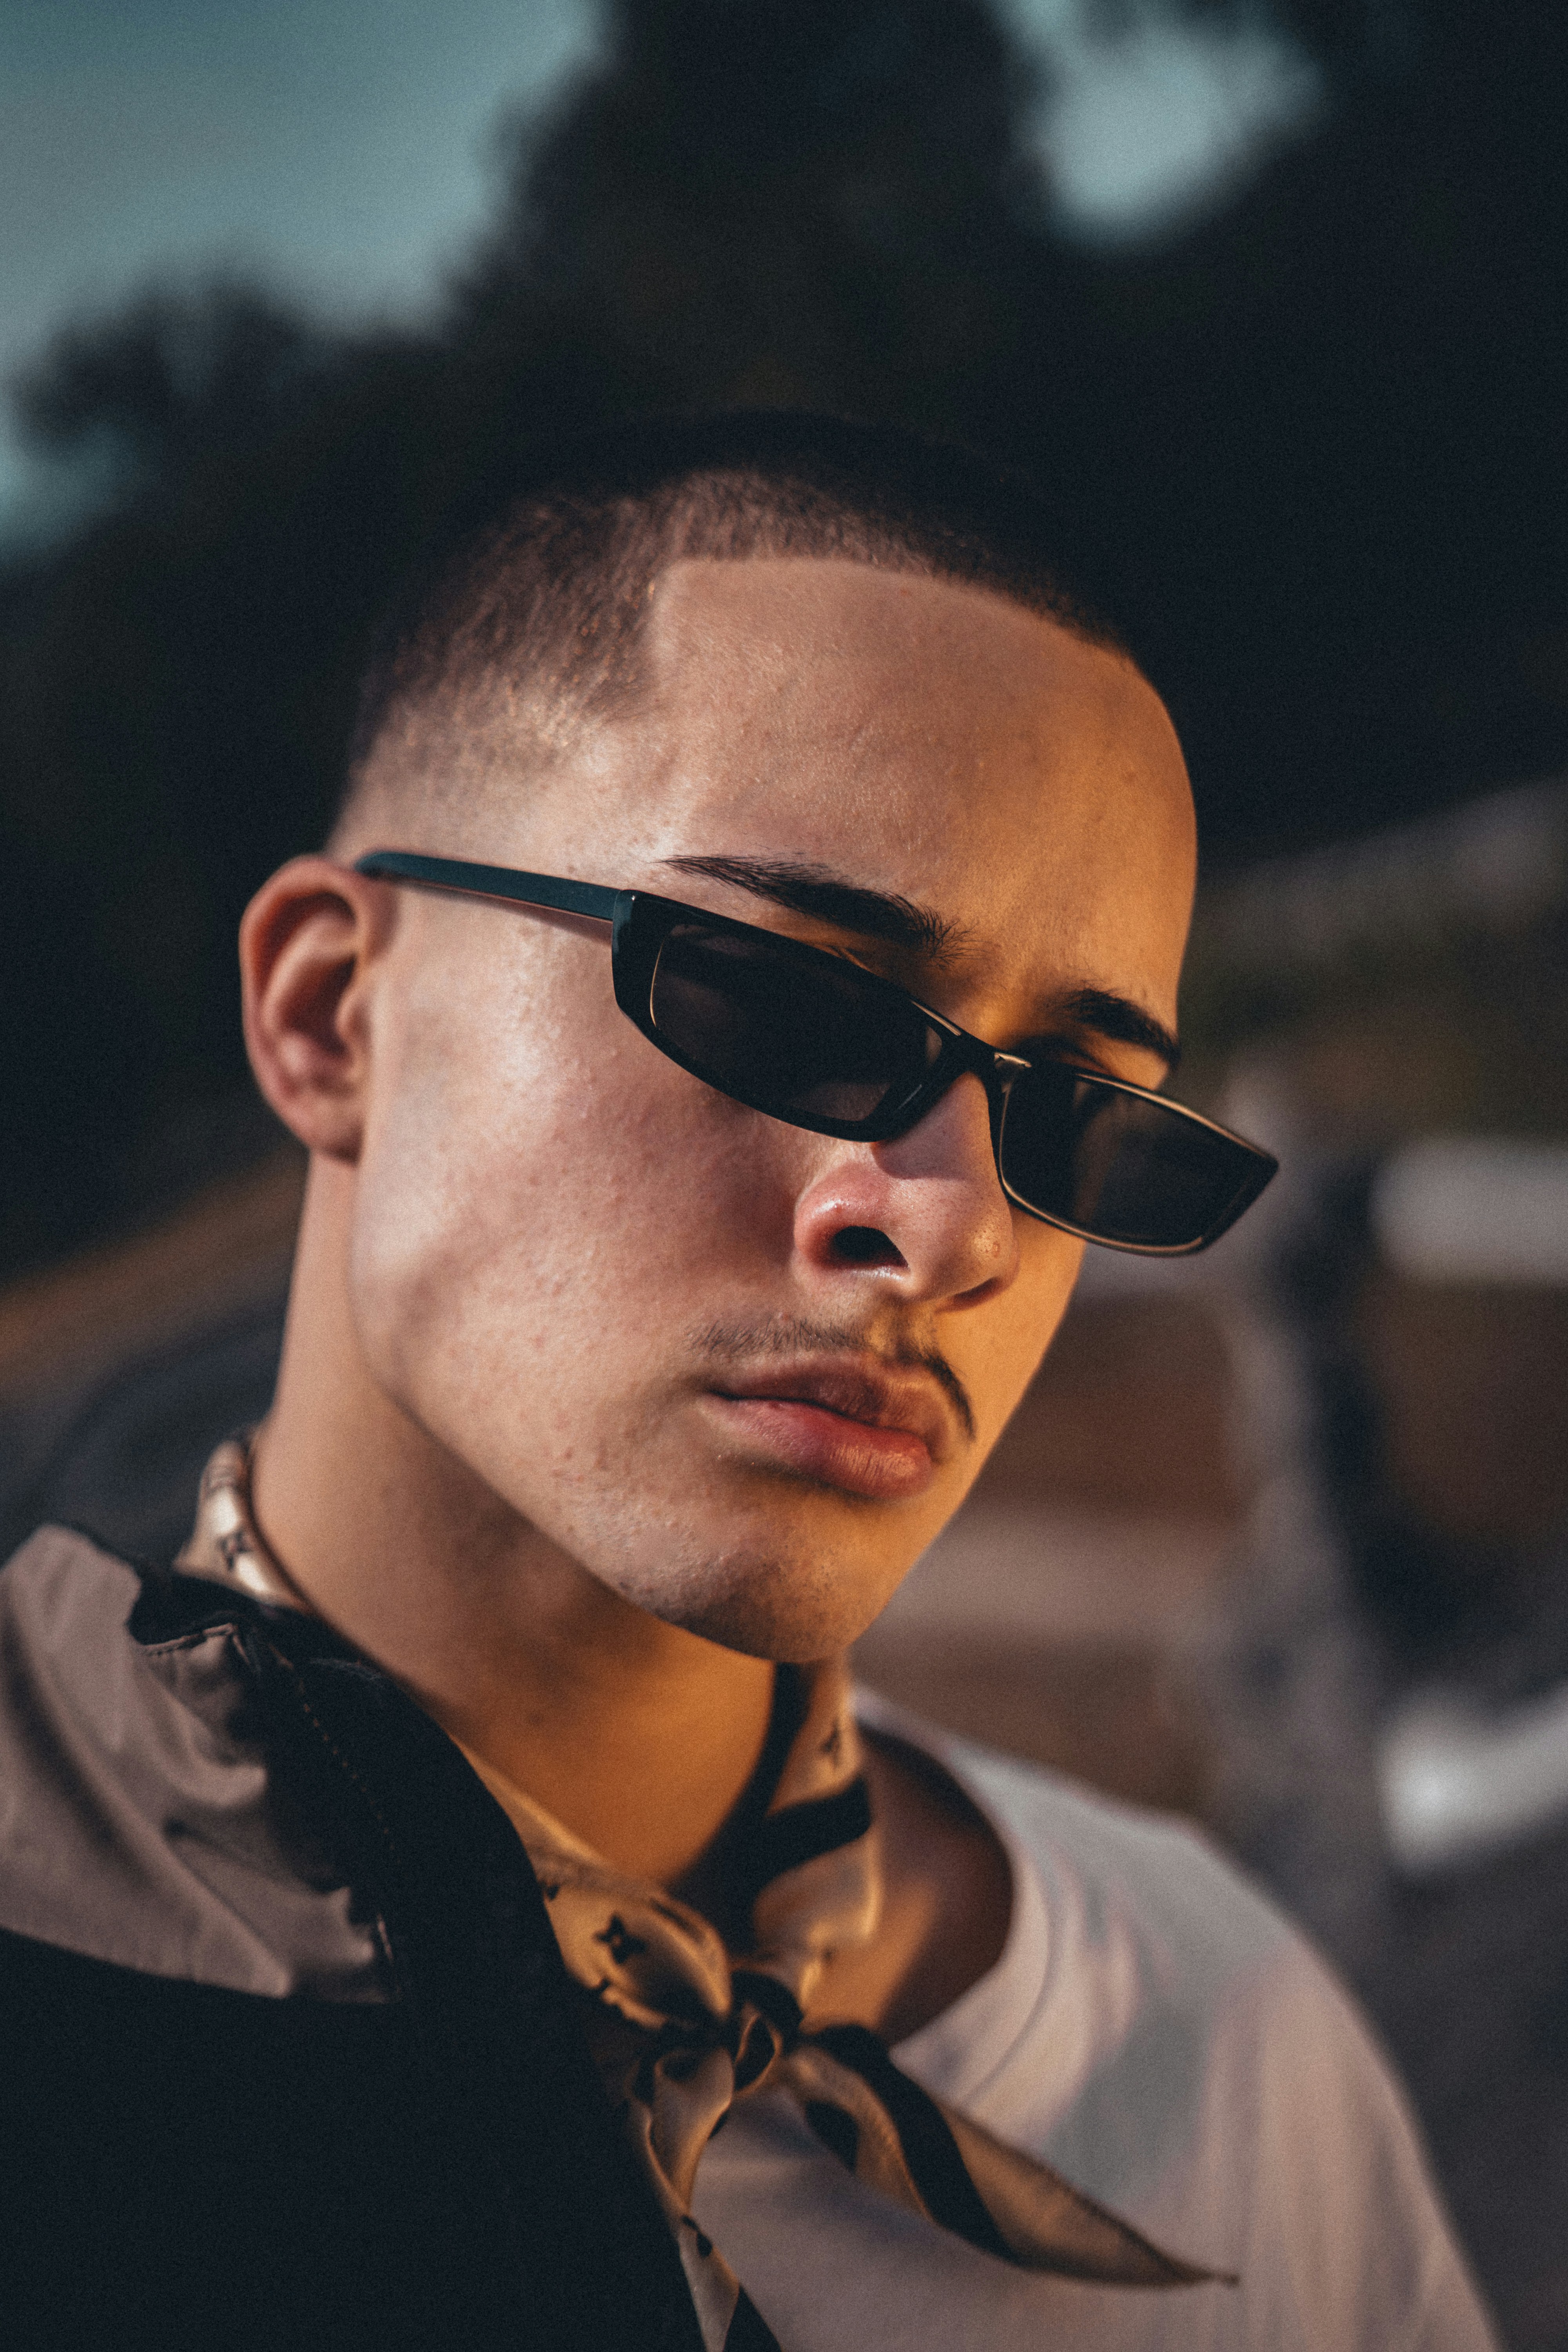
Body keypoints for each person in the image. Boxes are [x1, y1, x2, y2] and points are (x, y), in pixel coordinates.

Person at [0, 414, 1494, 2352]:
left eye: (1079, 1117)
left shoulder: (1216, 2037)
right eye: (779, 1000)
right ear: (333, 1013)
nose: (957, 1227)